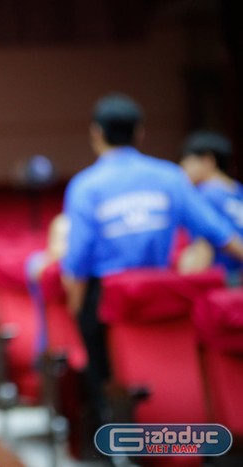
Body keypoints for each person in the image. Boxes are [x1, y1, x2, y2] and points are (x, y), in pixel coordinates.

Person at [60, 93, 243, 422]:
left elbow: (77, 263)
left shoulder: (85, 187)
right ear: (139, 133)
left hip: (105, 299)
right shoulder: (171, 177)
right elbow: (222, 235)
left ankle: (113, 434)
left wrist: (76, 309)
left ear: (96, 133)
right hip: (164, 298)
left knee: (103, 378)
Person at [179, 130, 243, 284]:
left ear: (208, 161)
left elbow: (202, 249)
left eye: (187, 161)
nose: (183, 168)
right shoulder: (238, 190)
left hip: (221, 282)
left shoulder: (203, 195)